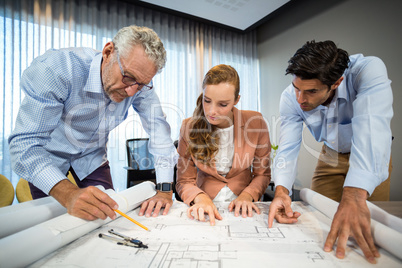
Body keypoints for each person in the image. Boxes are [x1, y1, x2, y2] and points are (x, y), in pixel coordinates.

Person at [8, 25, 178, 221]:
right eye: (128, 77)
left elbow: (160, 135)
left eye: (140, 84)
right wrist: (69, 194)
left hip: (92, 157)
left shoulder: (140, 85)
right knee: (54, 226)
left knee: (108, 216)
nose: (131, 92)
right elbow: (24, 145)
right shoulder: (57, 69)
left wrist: (165, 190)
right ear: (108, 52)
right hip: (48, 157)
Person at [268, 40, 393, 264]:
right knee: (319, 215)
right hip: (330, 153)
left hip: (367, 150)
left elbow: (372, 128)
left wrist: (355, 194)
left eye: (311, 91)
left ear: (336, 82)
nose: (300, 99)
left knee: (368, 221)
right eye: (297, 88)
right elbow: (287, 147)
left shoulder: (367, 71)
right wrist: (281, 191)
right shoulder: (291, 97)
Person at [176, 64, 271, 225]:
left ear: (236, 100)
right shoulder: (189, 127)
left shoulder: (256, 122)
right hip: (204, 204)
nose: (212, 111)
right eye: (207, 101)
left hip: (244, 205)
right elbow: (184, 180)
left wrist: (248, 195)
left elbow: (262, 174)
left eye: (222, 104)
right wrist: (200, 198)